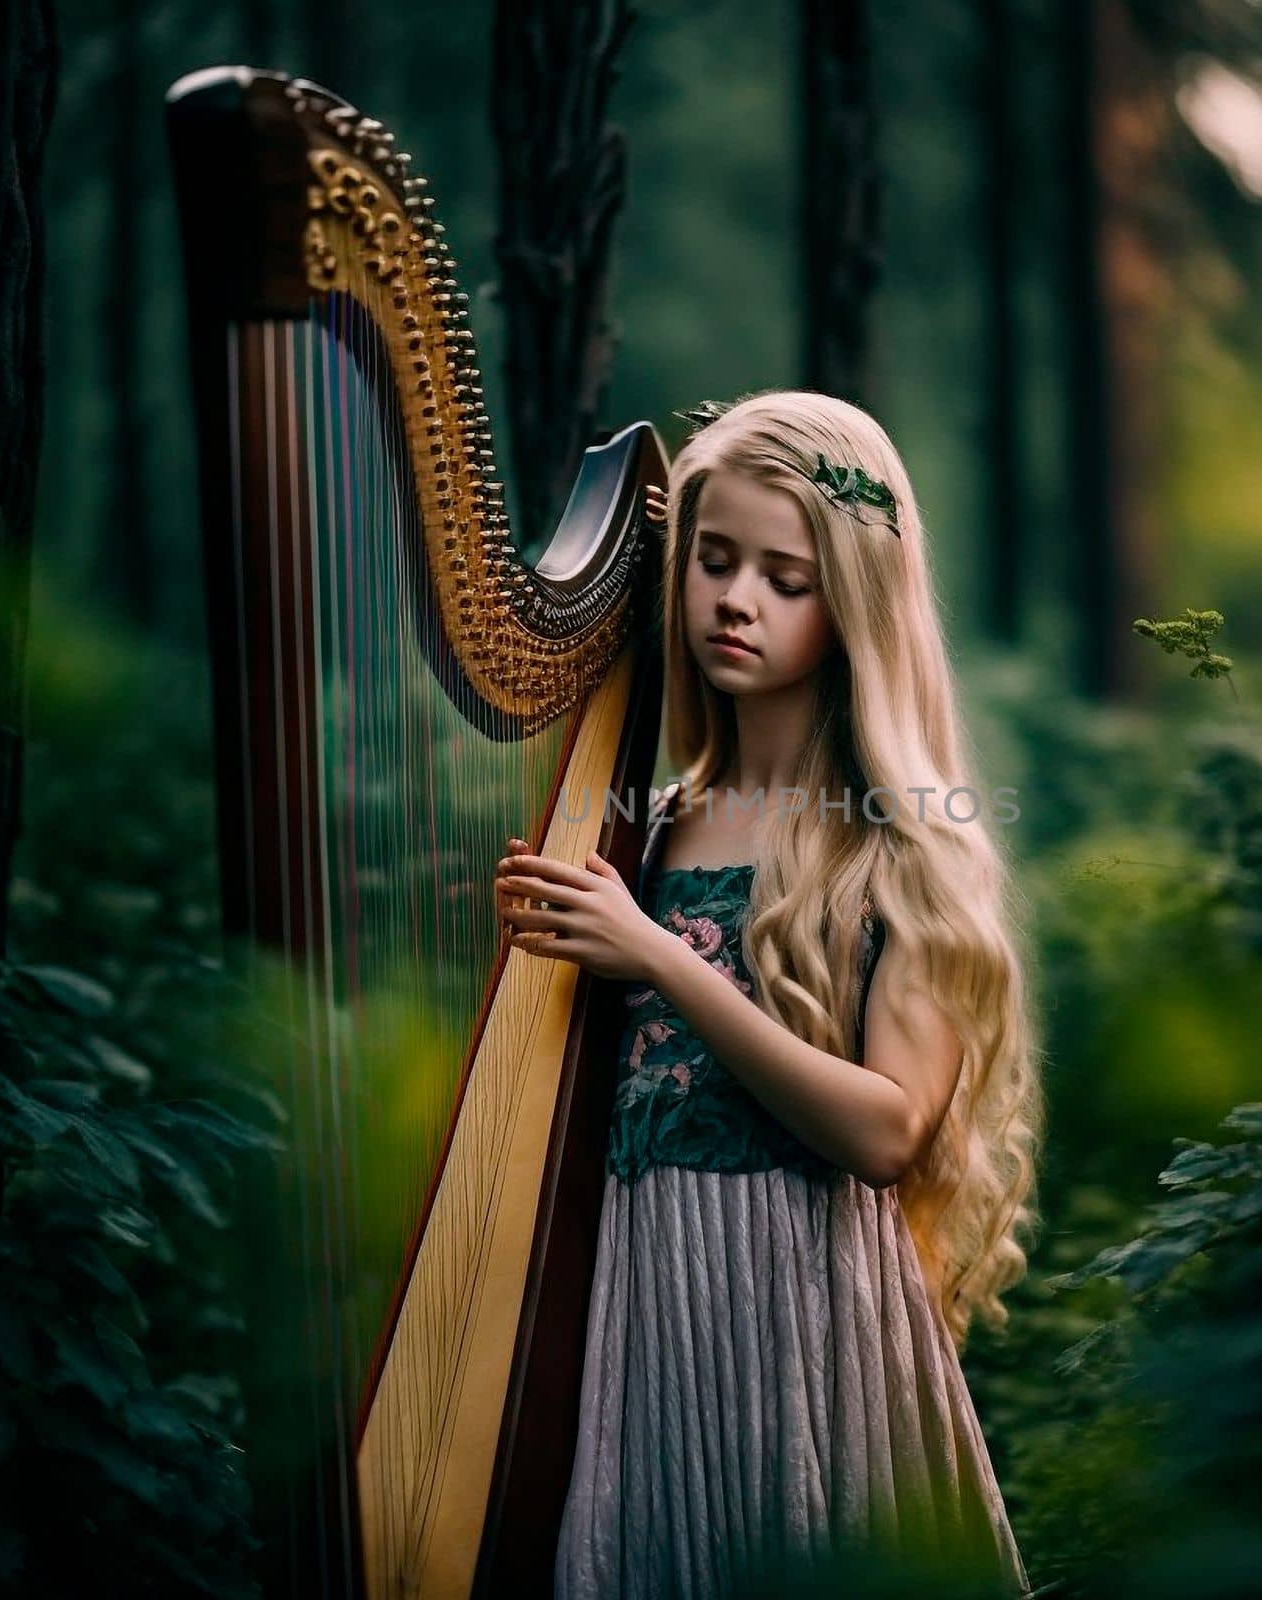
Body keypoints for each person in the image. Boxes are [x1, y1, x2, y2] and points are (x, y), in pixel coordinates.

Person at [494, 389, 1043, 1599]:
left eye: (786, 578)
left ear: (852, 605)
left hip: (799, 1316)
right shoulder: (650, 817)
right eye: (715, 559)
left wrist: (666, 960)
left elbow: (887, 1128)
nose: (735, 599)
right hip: (645, 1314)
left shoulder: (903, 846)